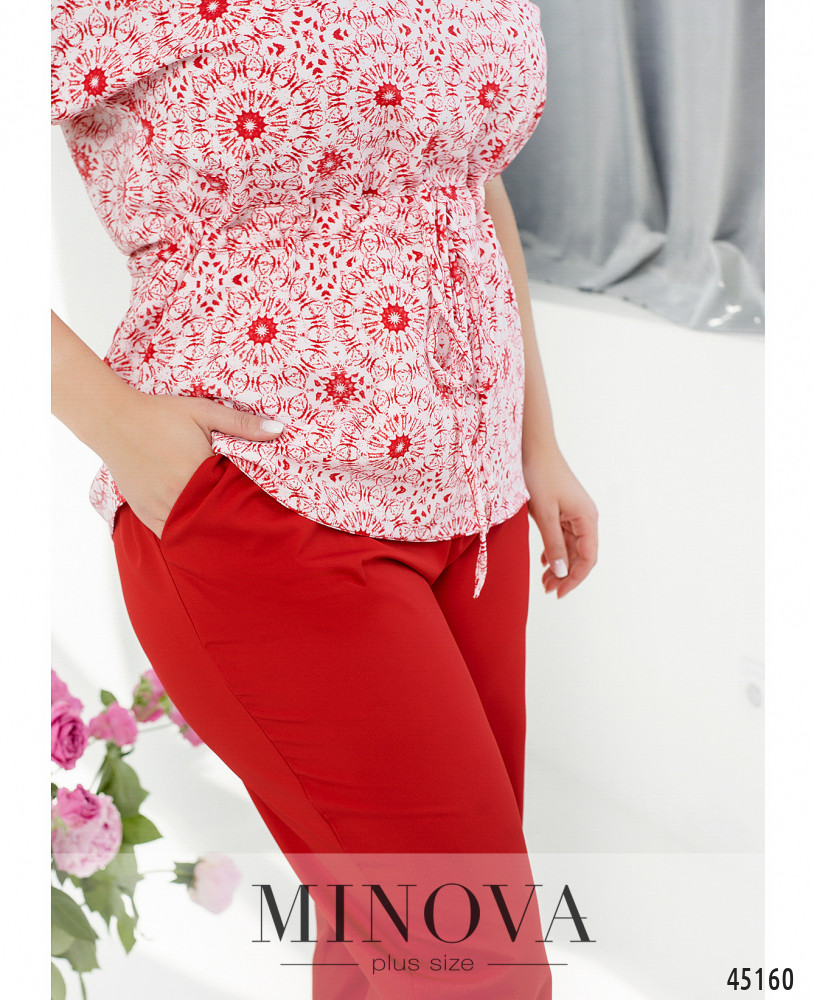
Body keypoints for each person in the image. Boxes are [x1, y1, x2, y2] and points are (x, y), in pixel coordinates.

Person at [51, 2, 598, 997]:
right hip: (270, 503)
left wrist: (536, 440)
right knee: (478, 967)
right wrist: (125, 430)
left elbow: (464, 176)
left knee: (387, 952)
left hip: (475, 512)